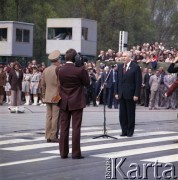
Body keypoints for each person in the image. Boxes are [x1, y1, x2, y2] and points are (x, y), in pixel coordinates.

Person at [57, 48, 90, 159]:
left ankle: (63, 152)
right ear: (75, 58)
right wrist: (84, 69)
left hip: (63, 101)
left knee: (64, 128)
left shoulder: (59, 70)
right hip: (76, 101)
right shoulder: (79, 70)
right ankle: (76, 153)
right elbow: (87, 83)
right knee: (76, 128)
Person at [114, 51, 142, 137]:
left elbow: (138, 82)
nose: (123, 58)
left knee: (130, 114)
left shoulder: (135, 67)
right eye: (122, 56)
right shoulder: (120, 66)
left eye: (125, 56)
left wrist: (136, 94)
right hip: (121, 94)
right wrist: (116, 92)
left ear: (130, 57)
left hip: (131, 94)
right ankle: (124, 130)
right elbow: (117, 81)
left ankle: (130, 131)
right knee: (122, 114)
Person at [41, 50, 61, 143]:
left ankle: (48, 136)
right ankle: (53, 136)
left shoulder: (46, 70)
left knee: (48, 117)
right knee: (55, 117)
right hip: (56, 96)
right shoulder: (59, 69)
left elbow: (42, 85)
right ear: (57, 60)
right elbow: (60, 84)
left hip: (48, 96)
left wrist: (43, 95)